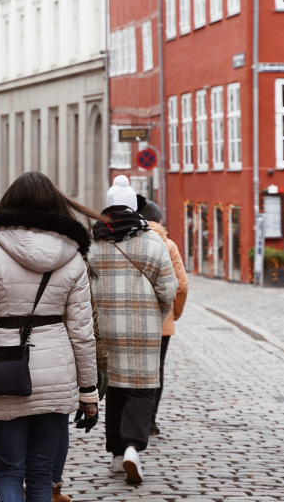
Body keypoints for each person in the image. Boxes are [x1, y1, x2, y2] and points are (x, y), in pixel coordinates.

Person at [0, 172, 99, 502]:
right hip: (58, 370)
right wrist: (89, 390)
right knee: (40, 473)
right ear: (55, 206)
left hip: (7, 370)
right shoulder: (74, 257)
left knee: (8, 471)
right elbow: (82, 333)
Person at [87, 176, 177, 484]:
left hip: (108, 327)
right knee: (141, 389)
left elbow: (85, 287)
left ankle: (114, 454)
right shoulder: (152, 241)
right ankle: (131, 447)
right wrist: (157, 314)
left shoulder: (94, 241)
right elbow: (169, 289)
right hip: (144, 328)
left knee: (115, 388)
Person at [136, 197, 188, 436]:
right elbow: (181, 285)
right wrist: (173, 314)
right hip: (161, 321)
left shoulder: (130, 240)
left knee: (131, 370)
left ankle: (130, 420)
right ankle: (150, 421)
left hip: (131, 318)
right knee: (156, 370)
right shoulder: (168, 244)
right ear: (158, 219)